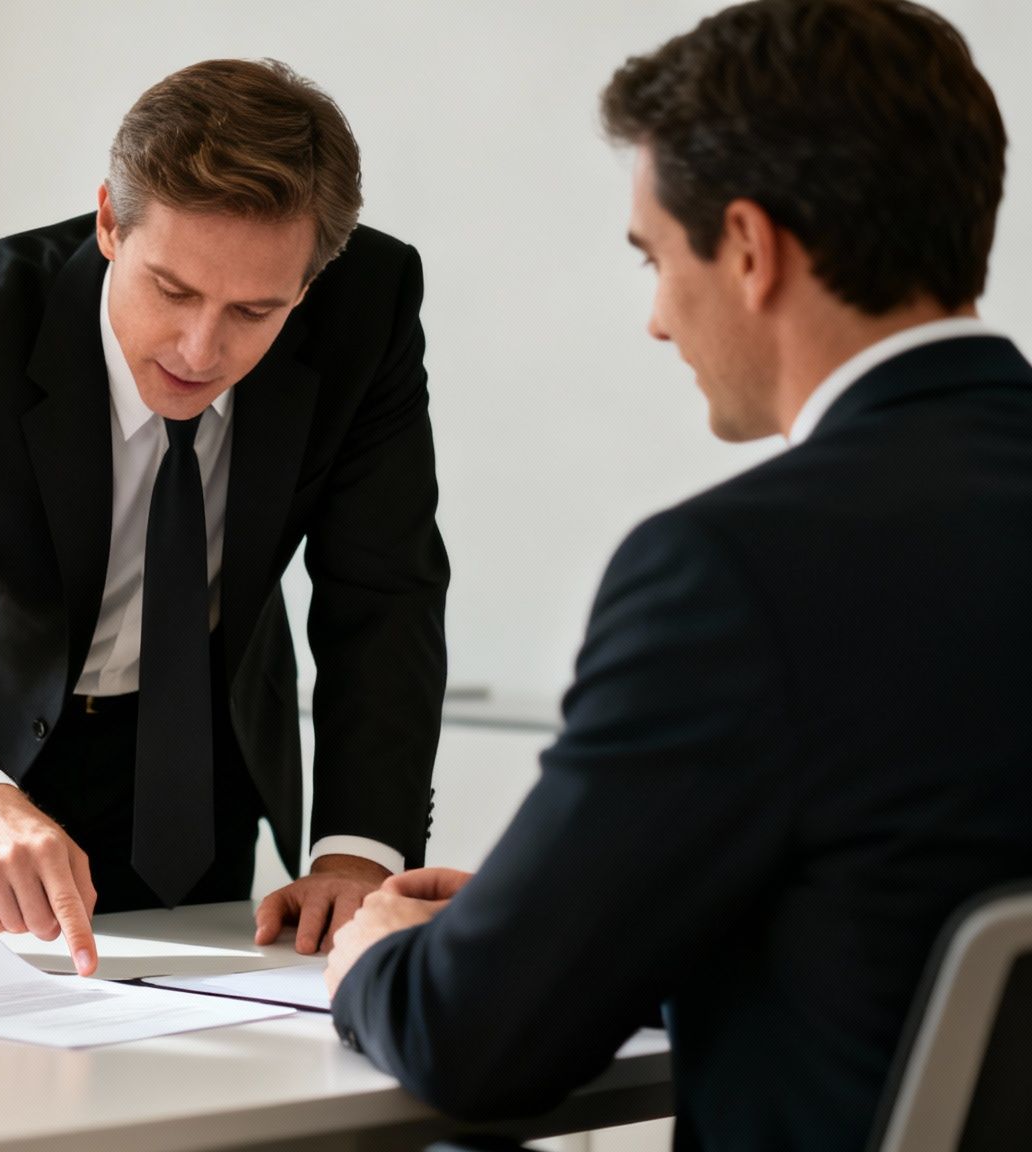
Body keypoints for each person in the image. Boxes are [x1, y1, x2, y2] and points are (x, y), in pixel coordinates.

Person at [325, 1, 1029, 1147]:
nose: (655, 321)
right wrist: (567, 922)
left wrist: (383, 959)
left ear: (749, 249)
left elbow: (473, 1039)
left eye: (653, 257)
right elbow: (903, 920)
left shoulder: (733, 573)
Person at [0, 59, 449, 976]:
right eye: (172, 290)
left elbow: (385, 595)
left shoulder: (367, 308)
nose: (200, 349)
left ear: (313, 280)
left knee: (176, 1078)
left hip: (186, 755)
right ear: (108, 220)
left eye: (256, 310)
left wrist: (356, 851)